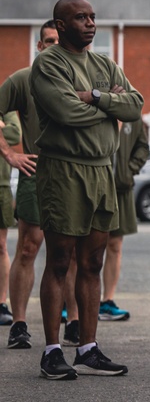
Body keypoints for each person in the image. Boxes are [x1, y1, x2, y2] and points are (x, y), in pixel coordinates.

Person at [31, 0, 144, 379]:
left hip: (101, 172)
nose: (90, 23)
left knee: (93, 262)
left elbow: (135, 107)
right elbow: (65, 112)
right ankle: (51, 351)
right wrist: (110, 107)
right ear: (60, 25)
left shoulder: (104, 64)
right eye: (81, 18)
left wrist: (97, 96)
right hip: (63, 170)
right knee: (60, 261)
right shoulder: (48, 63)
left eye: (93, 17)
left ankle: (88, 349)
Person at [0, 21, 66, 349]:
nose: (54, 46)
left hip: (73, 176)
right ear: (40, 46)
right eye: (48, 41)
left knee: (71, 252)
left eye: (59, 40)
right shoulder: (24, 79)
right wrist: (11, 154)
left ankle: (76, 324)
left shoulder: (79, 76)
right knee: (29, 247)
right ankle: (19, 324)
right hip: (35, 173)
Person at [99, 120, 149, 322]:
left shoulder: (132, 114)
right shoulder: (95, 105)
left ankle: (107, 302)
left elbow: (143, 147)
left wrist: (128, 171)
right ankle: (71, 304)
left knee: (115, 245)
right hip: (94, 186)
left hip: (121, 190)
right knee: (82, 246)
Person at [0, 112, 21, 325]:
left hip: (1, 186)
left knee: (1, 245)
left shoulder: (5, 104)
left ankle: (1, 303)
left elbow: (15, 134)